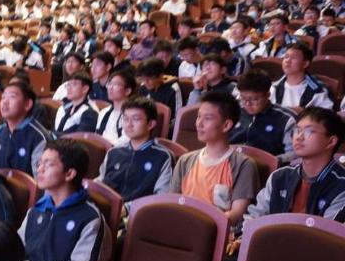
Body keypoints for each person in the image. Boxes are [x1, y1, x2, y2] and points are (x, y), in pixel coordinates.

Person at [19, 139, 110, 261]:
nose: (39, 170)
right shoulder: (36, 210)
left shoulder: (90, 218)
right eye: (39, 163)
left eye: (48, 165)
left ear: (69, 174)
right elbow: (16, 247)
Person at [244, 107, 345, 223]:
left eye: (309, 131)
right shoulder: (279, 176)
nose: (299, 137)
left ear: (331, 141)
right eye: (297, 130)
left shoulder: (341, 186)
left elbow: (328, 231)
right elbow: (254, 219)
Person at [169, 92, 259, 222]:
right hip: (182, 226)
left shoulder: (243, 164)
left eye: (207, 118)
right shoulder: (185, 161)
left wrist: (200, 225)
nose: (199, 123)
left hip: (217, 231)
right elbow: (172, 203)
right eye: (198, 116)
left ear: (226, 125)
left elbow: (237, 214)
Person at [97, 97, 174, 204]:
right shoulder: (114, 152)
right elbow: (100, 182)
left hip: (138, 211)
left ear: (150, 124)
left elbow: (161, 197)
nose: (129, 124)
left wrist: (128, 208)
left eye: (136, 119)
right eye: (125, 119)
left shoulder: (162, 156)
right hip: (106, 206)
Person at [230, 70, 296, 163]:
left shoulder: (285, 119)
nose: (247, 104)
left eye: (254, 99)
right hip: (230, 164)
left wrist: (272, 160)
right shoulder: (233, 112)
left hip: (267, 167)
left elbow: (294, 153)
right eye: (243, 98)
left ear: (268, 95)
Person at [0, 82, 54, 176]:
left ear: (27, 104)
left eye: (12, 97)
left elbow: (40, 179)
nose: (4, 102)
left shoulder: (39, 138)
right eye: (3, 97)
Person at [270, 42, 335, 109]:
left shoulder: (318, 91)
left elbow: (326, 113)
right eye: (286, 57)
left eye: (293, 58)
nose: (287, 61)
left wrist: (304, 112)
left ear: (305, 64)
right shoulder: (273, 87)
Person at [96, 71, 136, 144]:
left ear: (128, 91)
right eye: (109, 84)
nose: (110, 88)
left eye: (116, 84)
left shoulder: (133, 114)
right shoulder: (103, 112)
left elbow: (128, 139)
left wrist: (108, 147)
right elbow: (97, 135)